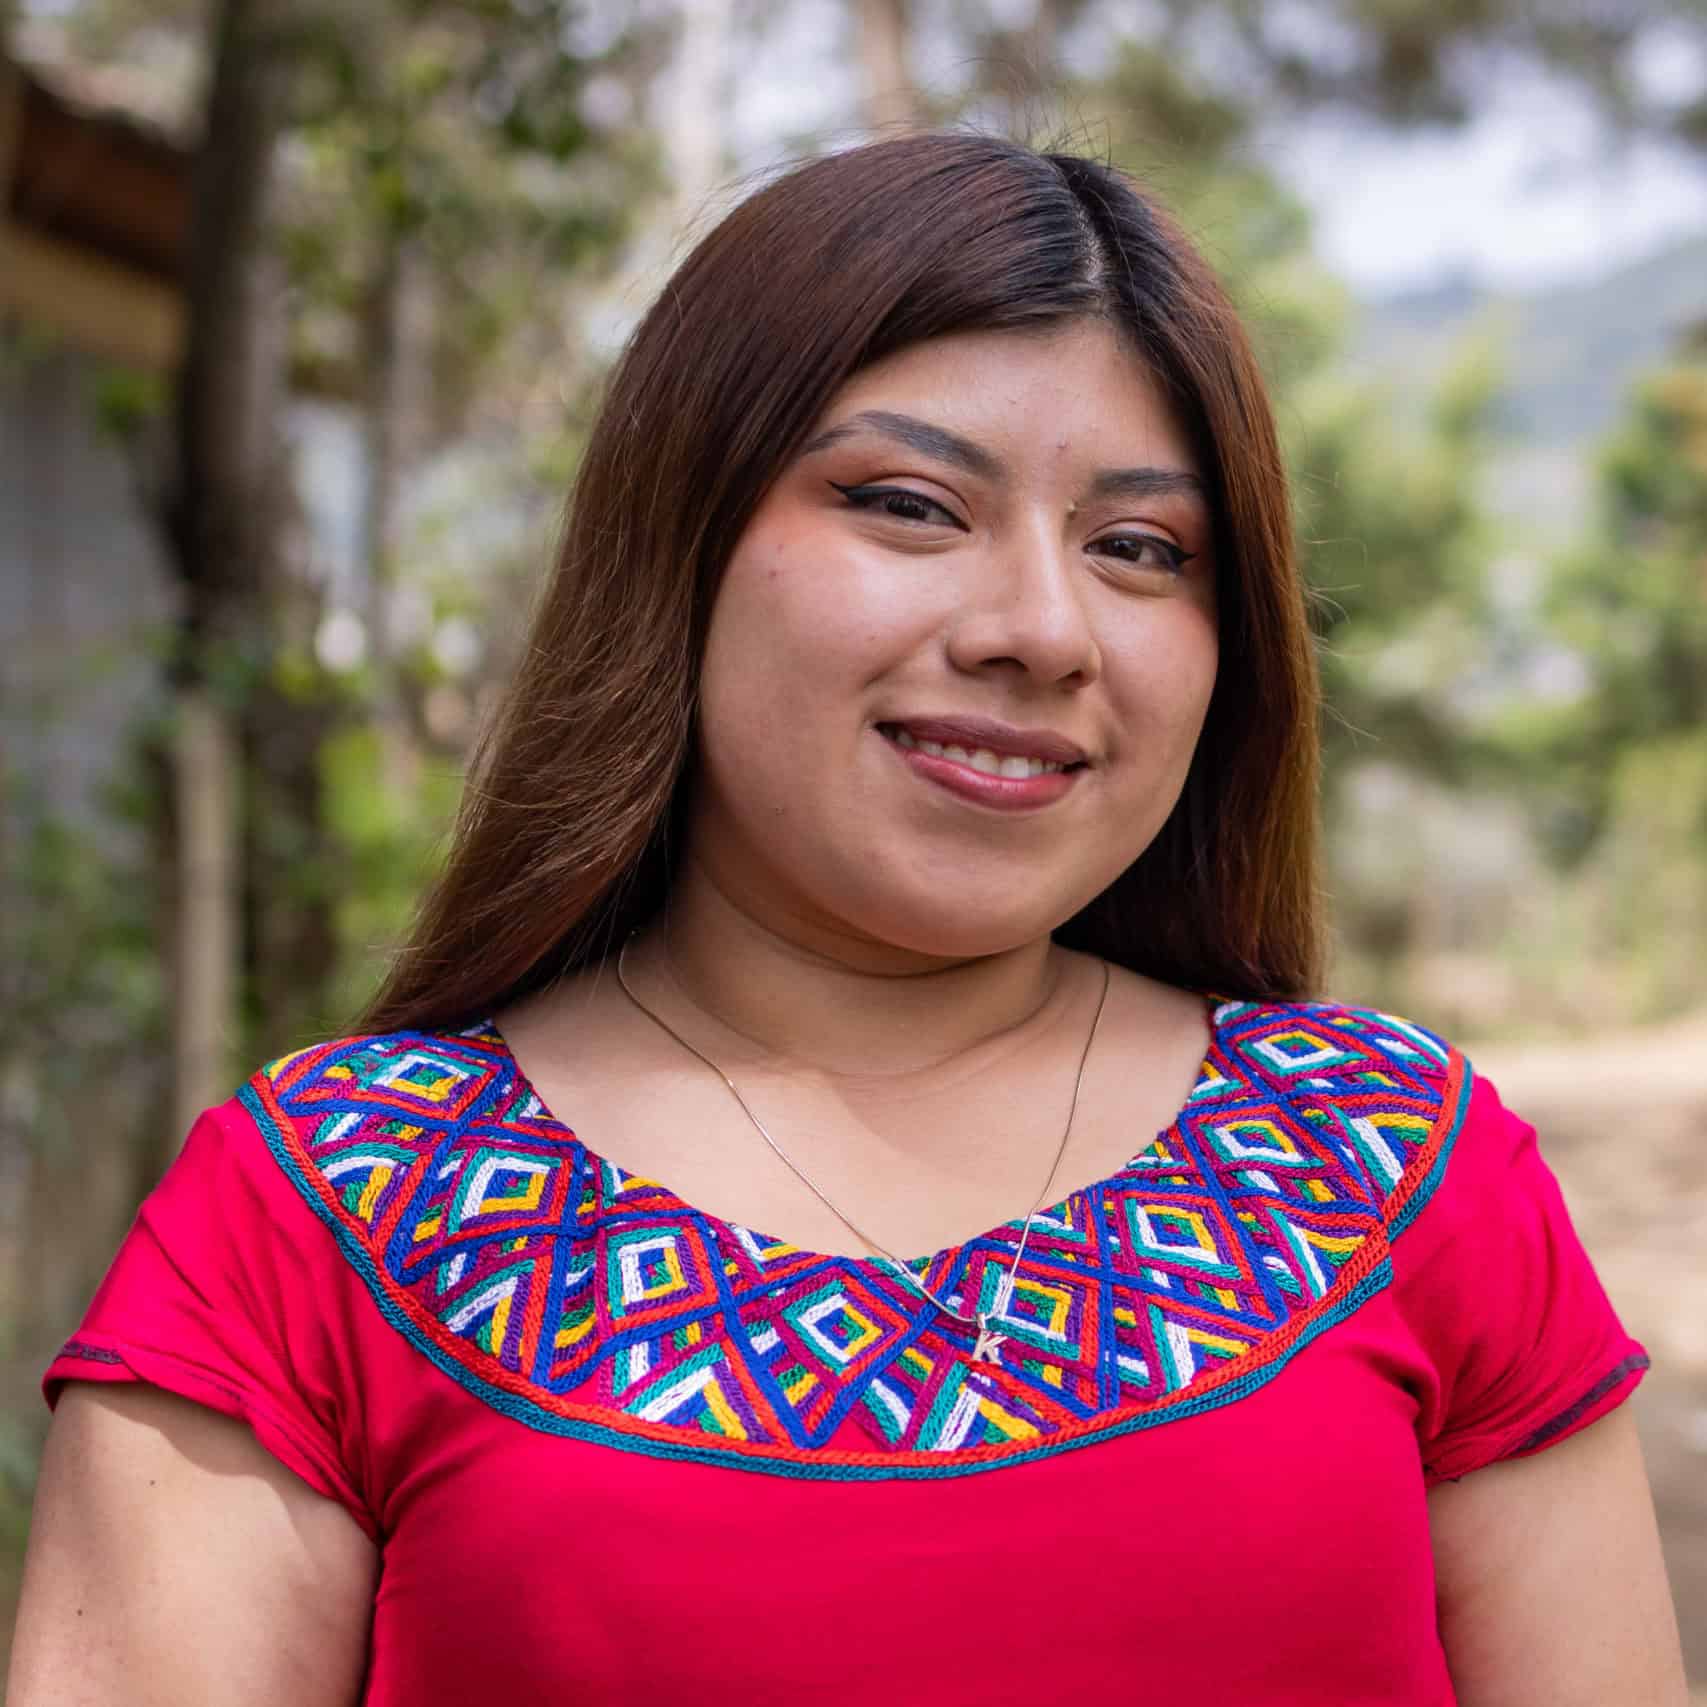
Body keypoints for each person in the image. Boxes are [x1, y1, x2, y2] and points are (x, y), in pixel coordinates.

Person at [7, 132, 1688, 1707]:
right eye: (907, 504)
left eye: (1138, 545)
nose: (1044, 626)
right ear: (683, 540)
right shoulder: (319, 1214)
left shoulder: (1396, 1161)